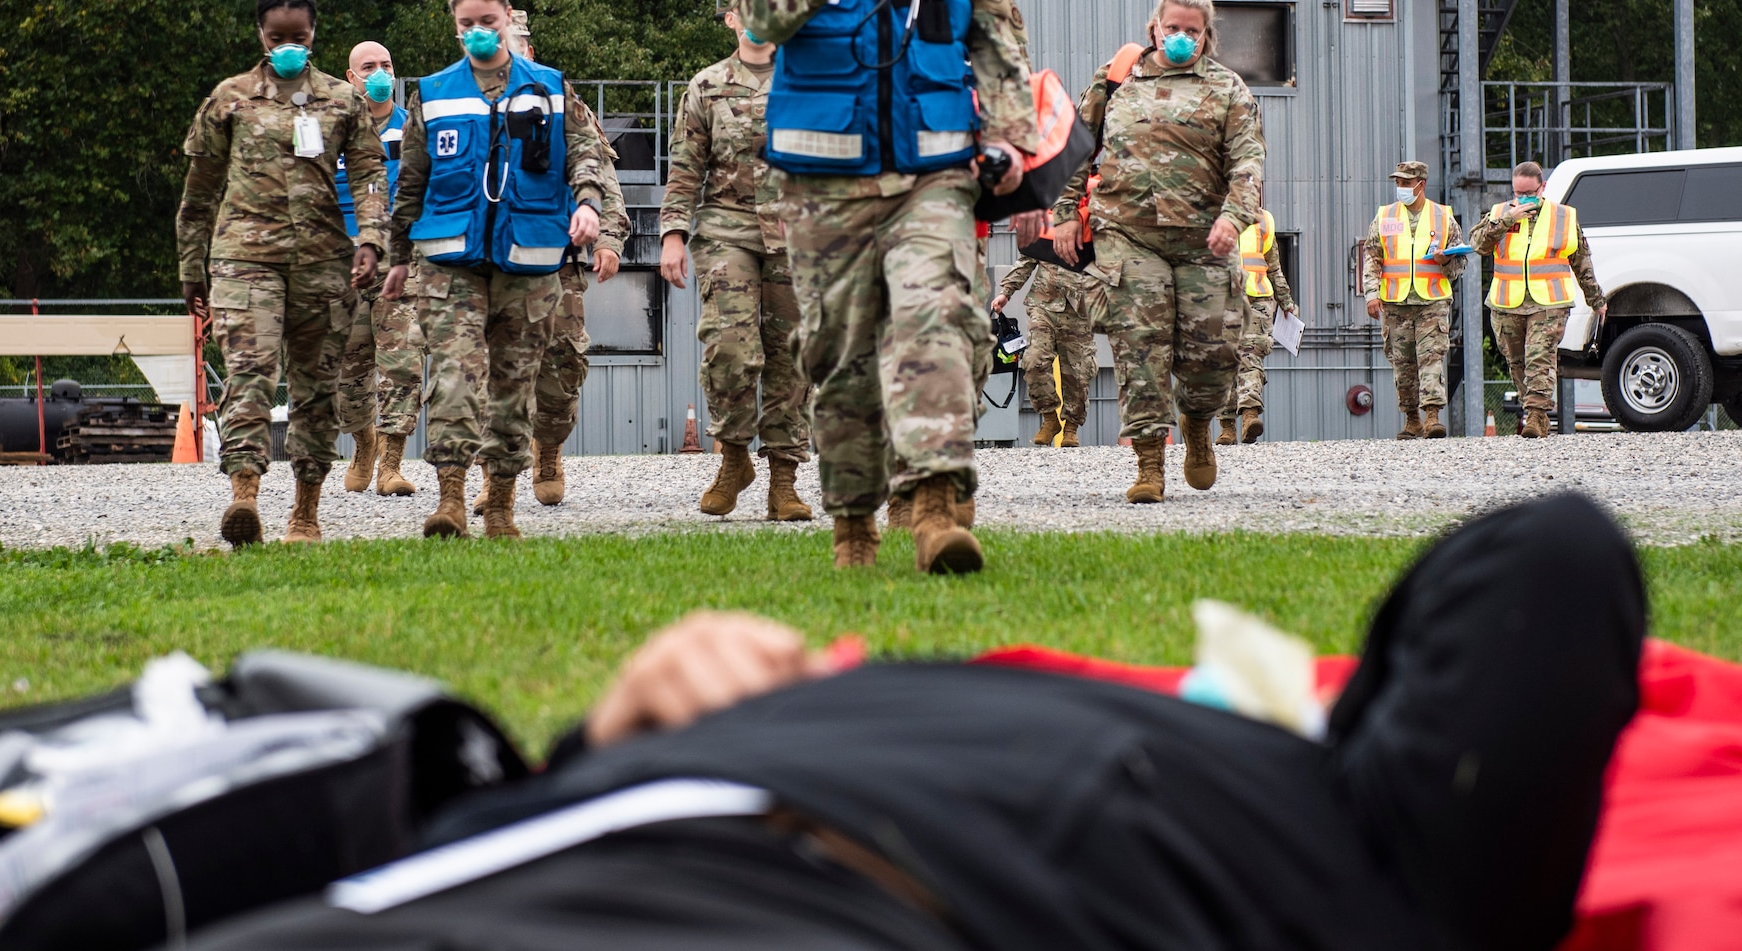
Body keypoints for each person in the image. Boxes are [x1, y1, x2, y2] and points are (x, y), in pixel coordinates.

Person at [198, 492, 1644, 951]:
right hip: (549, 834)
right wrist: (610, 732)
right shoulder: (1304, 809)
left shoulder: (1390, 873)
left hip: (844, 899)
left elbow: (1553, 557)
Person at [732, 0, 1031, 575]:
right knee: (839, 355)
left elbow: (1000, 35)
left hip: (930, 177)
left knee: (934, 316)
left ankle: (936, 507)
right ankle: (854, 523)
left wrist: (1007, 136)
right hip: (823, 191)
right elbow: (761, 21)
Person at [381, 0, 610, 538]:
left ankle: (502, 506)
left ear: (508, 19)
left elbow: (585, 152)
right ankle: (451, 501)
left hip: (529, 260)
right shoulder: (432, 93)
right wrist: (397, 260)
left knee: (515, 384)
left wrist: (588, 204)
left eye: (488, 21)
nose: (479, 32)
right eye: (467, 25)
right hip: (448, 261)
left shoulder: (551, 88)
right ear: (455, 28)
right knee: (456, 377)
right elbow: (411, 182)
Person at [176, 0, 387, 547]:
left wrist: (370, 239)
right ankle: (244, 494)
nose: (290, 45)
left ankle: (305, 512)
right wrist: (190, 268)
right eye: (278, 37)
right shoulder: (231, 98)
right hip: (244, 260)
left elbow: (370, 177)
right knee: (249, 372)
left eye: (300, 36)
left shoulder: (343, 102)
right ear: (261, 36)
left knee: (317, 388)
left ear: (314, 34)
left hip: (322, 265)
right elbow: (199, 194)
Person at [1052, 0, 1264, 504]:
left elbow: (1248, 161)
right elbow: (1077, 149)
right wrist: (1062, 214)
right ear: (1155, 27)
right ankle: (1150, 463)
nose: (1181, 38)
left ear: (1206, 35)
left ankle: (1197, 423)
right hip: (1128, 237)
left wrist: (1235, 218)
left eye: (1192, 31)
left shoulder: (1228, 89)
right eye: (1173, 28)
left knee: (1212, 355)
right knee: (1138, 347)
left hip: (1204, 242)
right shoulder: (1118, 77)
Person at [659, 10, 814, 521]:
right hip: (728, 228)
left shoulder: (809, 79)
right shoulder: (707, 86)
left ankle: (784, 483)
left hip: (796, 231)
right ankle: (732, 457)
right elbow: (685, 167)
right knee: (729, 347)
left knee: (790, 360)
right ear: (730, 18)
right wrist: (673, 235)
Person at [487, 13, 631, 510]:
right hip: (491, 259)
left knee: (563, 365)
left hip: (556, 257)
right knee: (494, 368)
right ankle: (496, 474)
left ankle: (548, 448)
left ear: (528, 48)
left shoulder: (561, 100)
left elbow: (599, 173)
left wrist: (608, 238)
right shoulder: (465, 99)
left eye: (517, 44)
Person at [332, 41, 426, 497]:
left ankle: (391, 463)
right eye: (368, 67)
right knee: (346, 374)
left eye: (386, 65)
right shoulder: (332, 131)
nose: (378, 73)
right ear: (351, 77)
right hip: (342, 264)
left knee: (402, 364)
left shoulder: (413, 131)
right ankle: (363, 441)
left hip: (399, 261)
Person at [1469, 160, 1607, 439]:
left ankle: (1536, 414)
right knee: (1517, 361)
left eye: (1529, 192)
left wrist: (1596, 299)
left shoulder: (1563, 217)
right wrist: (1508, 219)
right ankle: (1532, 411)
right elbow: (1478, 244)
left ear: (1542, 187)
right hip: (1507, 302)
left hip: (1549, 303)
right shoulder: (1500, 213)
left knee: (1539, 357)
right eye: (1518, 193)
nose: (1523, 198)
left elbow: (1582, 262)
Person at [1362, 160, 1465, 440]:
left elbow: (1460, 264)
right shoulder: (1385, 216)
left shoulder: (1443, 217)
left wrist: (1446, 262)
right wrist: (1372, 294)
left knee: (1431, 358)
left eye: (1406, 183)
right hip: (1395, 302)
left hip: (1432, 301)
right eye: (1398, 183)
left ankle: (1432, 416)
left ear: (1421, 185)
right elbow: (1372, 257)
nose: (1400, 188)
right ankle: (1411, 419)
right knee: (1403, 363)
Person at [993, 254, 1096, 447]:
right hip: (1043, 306)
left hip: (1080, 312)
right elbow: (1026, 261)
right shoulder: (1045, 227)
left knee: (1079, 373)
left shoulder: (1094, 227)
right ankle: (1050, 418)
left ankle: (1071, 428)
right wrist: (1006, 292)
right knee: (1033, 361)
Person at [1219, 200, 1297, 445]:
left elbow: (1273, 267)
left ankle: (1250, 415)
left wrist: (1286, 301)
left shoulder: (1264, 220)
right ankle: (1227, 426)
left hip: (1258, 299)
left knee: (1250, 354)